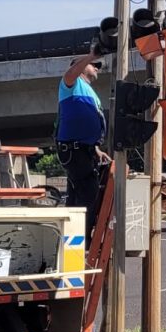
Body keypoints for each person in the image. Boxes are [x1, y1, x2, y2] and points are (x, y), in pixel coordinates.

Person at [57, 50, 111, 241]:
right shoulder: (72, 83)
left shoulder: (89, 90)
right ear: (79, 66)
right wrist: (90, 55)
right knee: (89, 193)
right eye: (94, 64)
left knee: (78, 195)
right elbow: (70, 73)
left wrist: (95, 148)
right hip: (74, 149)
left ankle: (73, 239)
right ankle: (82, 241)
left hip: (84, 150)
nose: (97, 68)